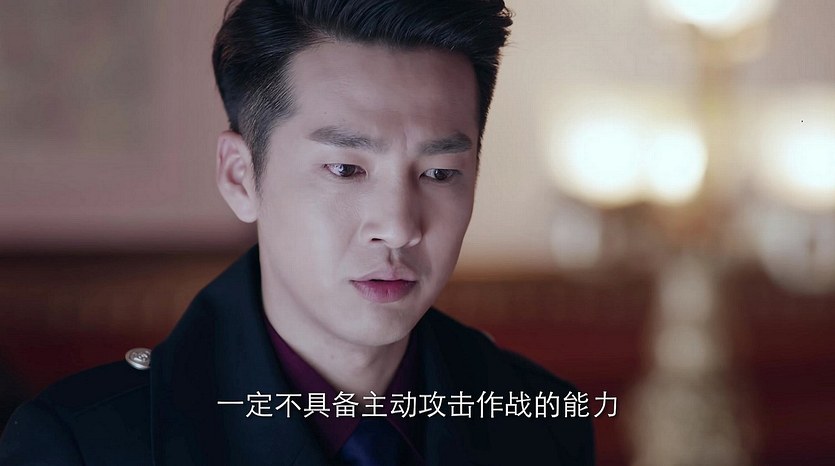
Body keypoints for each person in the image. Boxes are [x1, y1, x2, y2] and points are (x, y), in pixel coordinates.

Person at [0, 0, 595, 464]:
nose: (398, 227)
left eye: (439, 173)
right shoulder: (84, 444)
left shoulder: (542, 422)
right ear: (240, 176)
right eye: (345, 169)